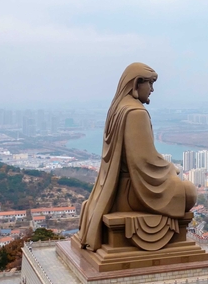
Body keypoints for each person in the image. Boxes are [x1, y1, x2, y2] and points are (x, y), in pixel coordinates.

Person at [74, 63, 197, 252]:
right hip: (134, 192)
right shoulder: (135, 113)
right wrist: (171, 168)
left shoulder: (116, 109)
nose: (152, 90)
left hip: (117, 191)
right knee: (189, 192)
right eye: (150, 84)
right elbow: (143, 161)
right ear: (137, 83)